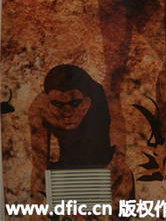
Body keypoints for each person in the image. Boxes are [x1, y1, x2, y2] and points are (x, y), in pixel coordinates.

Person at [30, 65, 134, 199]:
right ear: (48, 102)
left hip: (103, 164)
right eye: (58, 104)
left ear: (87, 102)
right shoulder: (40, 107)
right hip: (66, 167)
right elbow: (39, 165)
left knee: (124, 177)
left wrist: (105, 183)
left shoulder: (107, 99)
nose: (67, 113)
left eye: (74, 103)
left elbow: (119, 154)